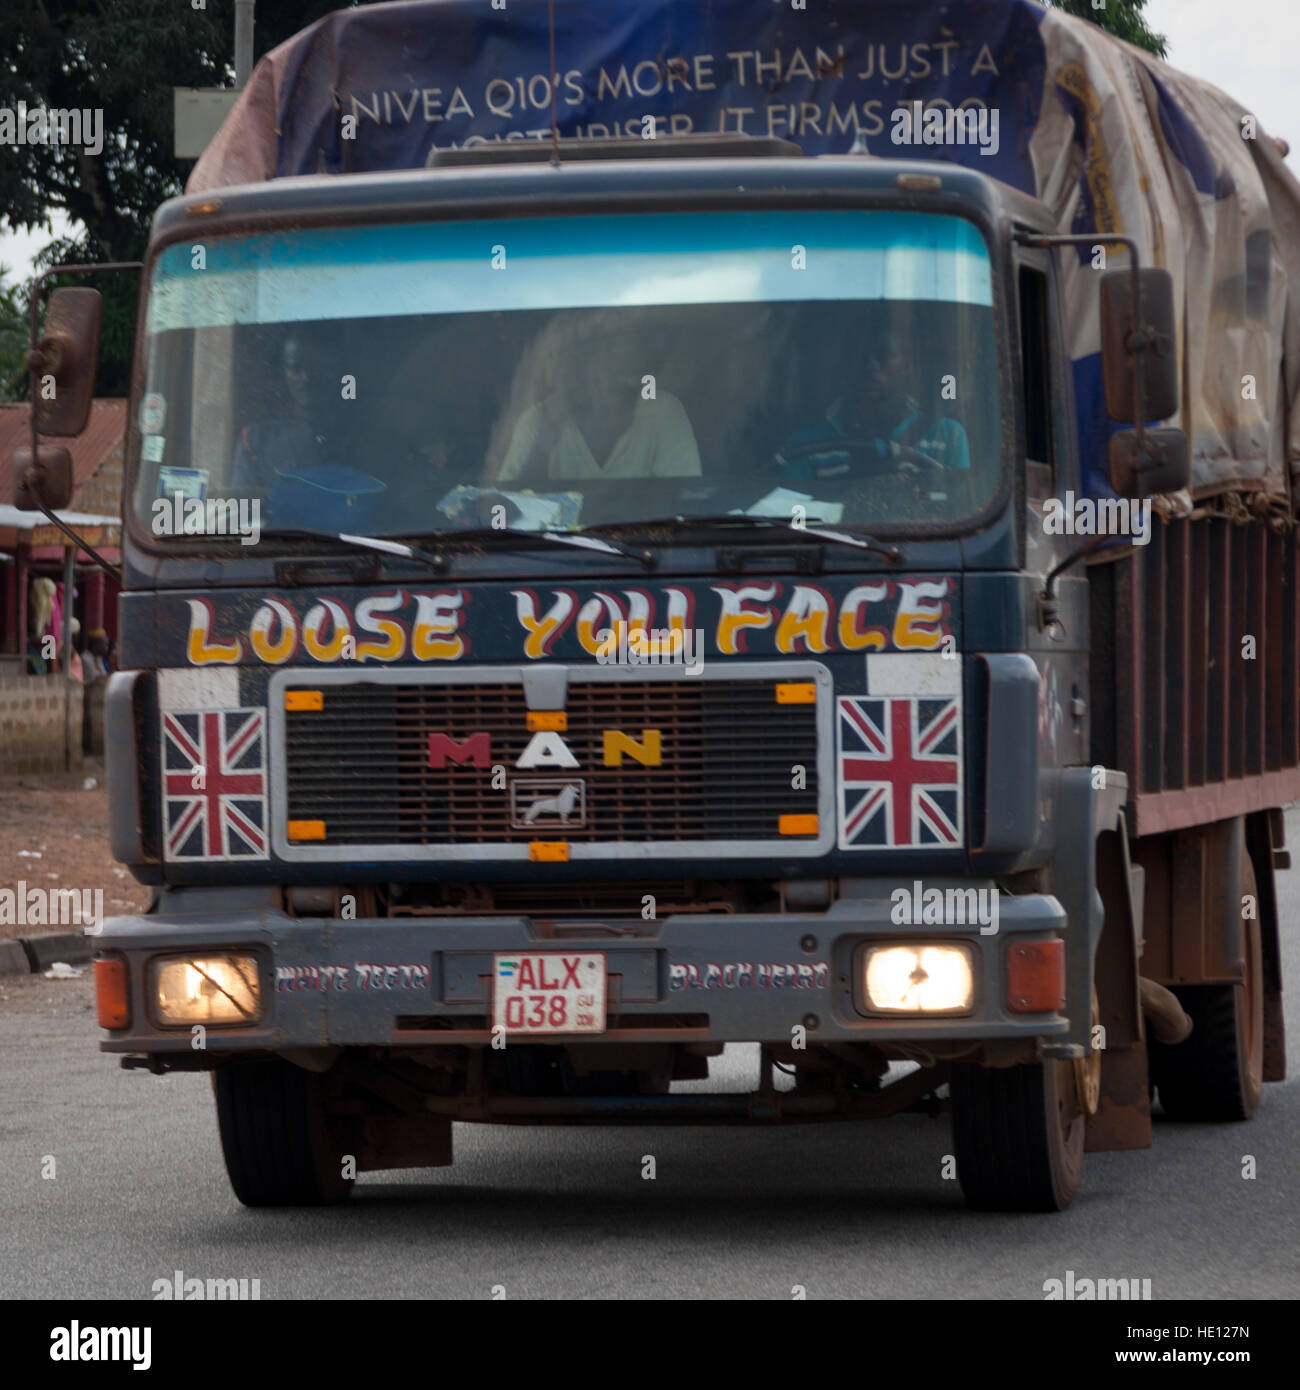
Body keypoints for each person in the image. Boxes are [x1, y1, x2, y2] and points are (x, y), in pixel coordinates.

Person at [494, 327, 701, 483]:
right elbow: (511, 504)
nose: (586, 373)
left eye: (596, 358)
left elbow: (681, 497)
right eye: (572, 359)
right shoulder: (537, 419)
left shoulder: (662, 412)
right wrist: (547, 435)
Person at [780, 333, 971, 482]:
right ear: (846, 365)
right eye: (862, 356)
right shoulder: (807, 446)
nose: (871, 365)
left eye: (883, 355)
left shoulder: (946, 436)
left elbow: (959, 510)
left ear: (907, 366)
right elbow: (794, 522)